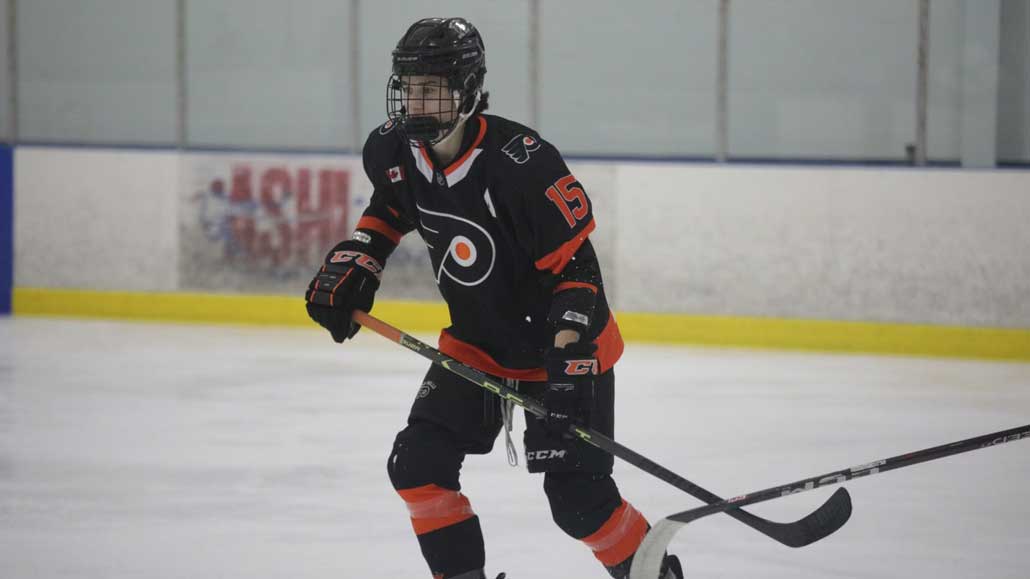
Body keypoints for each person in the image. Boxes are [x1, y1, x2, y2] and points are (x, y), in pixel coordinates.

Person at [305, 17, 682, 579]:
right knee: (417, 465)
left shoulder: (522, 165)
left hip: (565, 347)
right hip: (478, 343)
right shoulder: (392, 149)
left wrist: (566, 350)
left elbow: (577, 268)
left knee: (579, 501)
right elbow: (391, 206)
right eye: (409, 85)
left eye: (432, 87)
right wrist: (362, 253)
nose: (416, 100)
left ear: (469, 89)